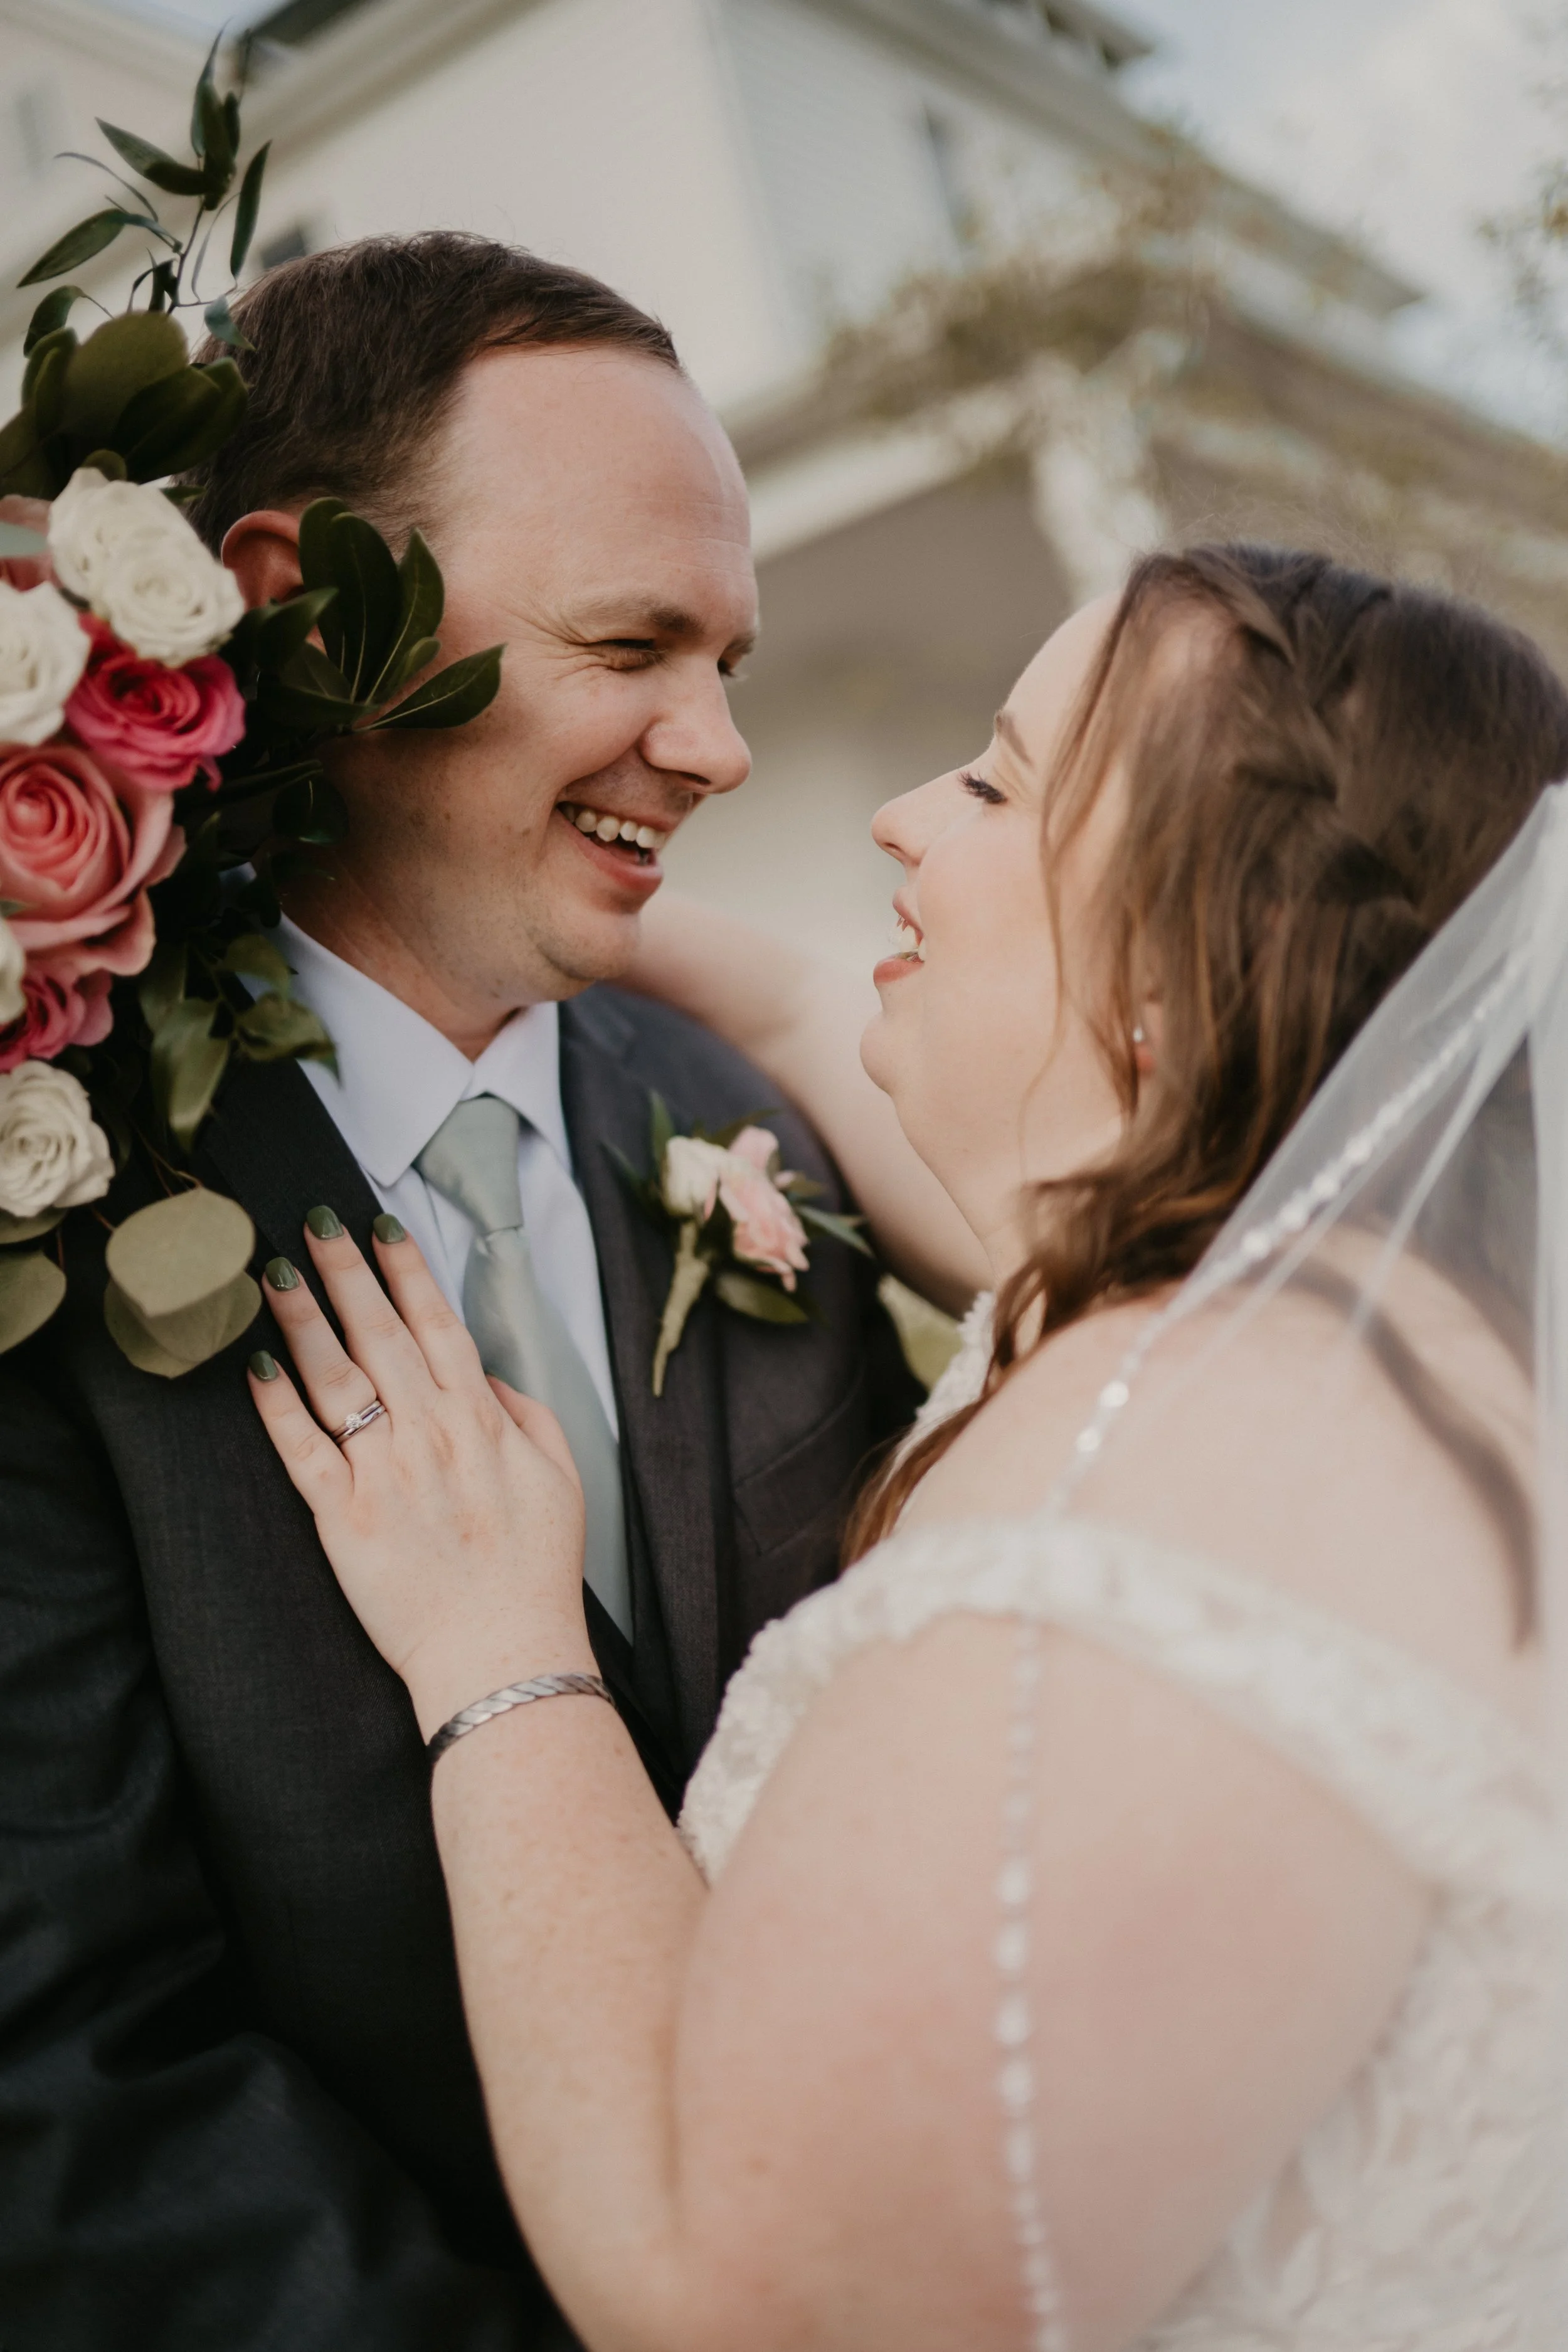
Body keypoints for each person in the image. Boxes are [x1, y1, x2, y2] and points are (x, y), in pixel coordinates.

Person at [252, 544, 1568, 2348]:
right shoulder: (1330, 1323)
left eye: (995, 786)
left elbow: (748, 2298)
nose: (898, 815)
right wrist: (394, 872)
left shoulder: (1157, 1488)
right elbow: (800, 1006)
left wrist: (501, 1652)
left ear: (1171, 969)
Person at [0, 233, 928, 2351]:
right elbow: (65, 2072)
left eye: (730, 659)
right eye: (631, 643)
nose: (718, 746)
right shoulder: (49, 1201)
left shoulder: (755, 1118)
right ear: (308, 609)